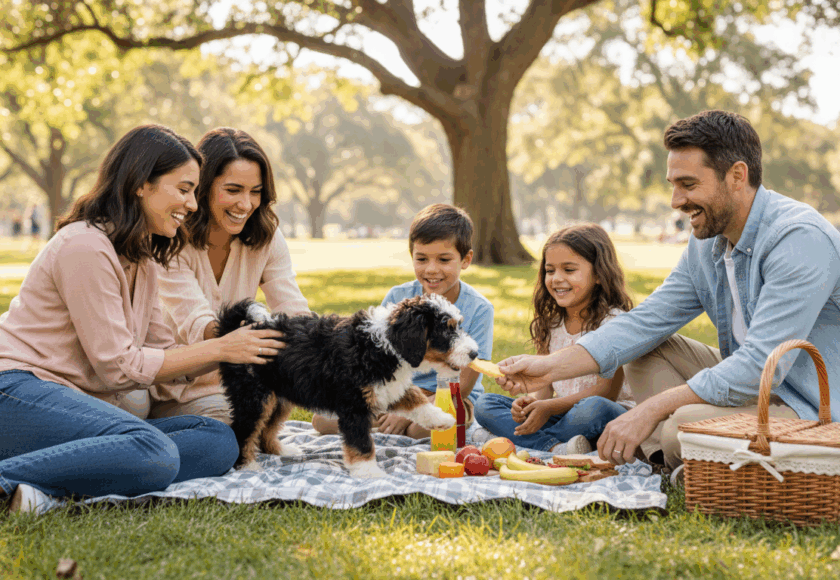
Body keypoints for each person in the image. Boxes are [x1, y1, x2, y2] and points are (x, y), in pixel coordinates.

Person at [496, 109, 840, 470]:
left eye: (688, 185)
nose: (676, 201)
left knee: (679, 428)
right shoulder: (707, 243)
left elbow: (760, 366)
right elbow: (643, 323)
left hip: (810, 403)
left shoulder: (798, 240)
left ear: (737, 176)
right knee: (641, 349)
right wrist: (548, 368)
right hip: (754, 387)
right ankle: (674, 456)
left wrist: (652, 408)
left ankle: (670, 450)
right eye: (673, 185)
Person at [0, 125, 285, 514]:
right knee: (154, 451)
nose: (193, 204)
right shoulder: (84, 246)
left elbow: (163, 351)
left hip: (80, 406)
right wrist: (222, 348)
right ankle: (7, 484)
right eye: (184, 189)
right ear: (141, 184)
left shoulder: (144, 257)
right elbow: (120, 367)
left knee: (217, 441)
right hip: (21, 392)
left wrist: (234, 353)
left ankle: (45, 488)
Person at [152, 127, 309, 424]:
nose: (246, 204)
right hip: (174, 386)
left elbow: (294, 309)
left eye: (256, 192)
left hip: (235, 385)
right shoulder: (172, 239)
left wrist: (317, 345)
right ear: (204, 186)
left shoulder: (267, 236)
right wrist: (260, 342)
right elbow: (200, 324)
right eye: (233, 190)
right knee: (234, 429)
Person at [312, 203, 494, 438]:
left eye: (444, 259)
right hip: (398, 390)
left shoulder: (480, 308)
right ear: (412, 257)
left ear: (465, 260)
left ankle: (389, 426)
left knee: (420, 428)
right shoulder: (398, 298)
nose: (431, 269)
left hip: (453, 396)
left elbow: (465, 383)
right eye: (422, 259)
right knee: (322, 421)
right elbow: (376, 362)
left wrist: (412, 410)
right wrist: (396, 404)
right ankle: (387, 425)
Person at [473, 224, 635, 454]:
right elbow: (543, 388)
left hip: (605, 413)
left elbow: (606, 392)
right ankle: (557, 446)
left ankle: (514, 439)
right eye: (550, 271)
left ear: (599, 274)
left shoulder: (613, 323)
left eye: (569, 270)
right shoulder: (550, 324)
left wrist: (548, 407)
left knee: (592, 409)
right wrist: (529, 404)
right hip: (560, 413)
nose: (557, 279)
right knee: (485, 405)